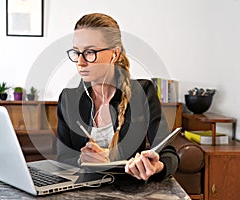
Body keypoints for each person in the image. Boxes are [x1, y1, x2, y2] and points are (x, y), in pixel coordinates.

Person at [57, 13, 179, 181]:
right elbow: (62, 158)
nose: (80, 62)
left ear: (114, 55)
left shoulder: (142, 92)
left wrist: (157, 166)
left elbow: (168, 154)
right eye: (77, 52)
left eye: (90, 52)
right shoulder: (68, 99)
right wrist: (81, 159)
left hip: (130, 189)